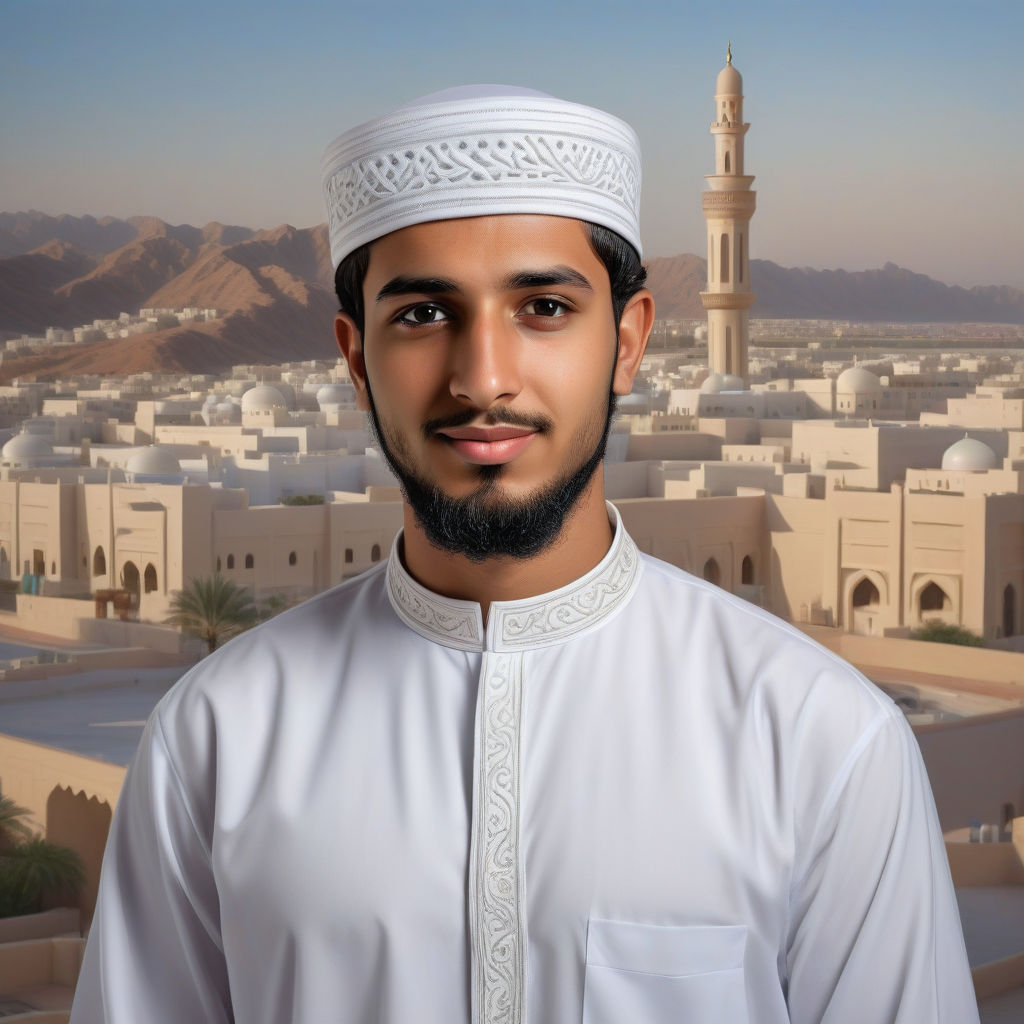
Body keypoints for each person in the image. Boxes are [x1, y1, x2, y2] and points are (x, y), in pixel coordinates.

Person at [71, 85, 978, 1024]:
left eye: (544, 306)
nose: (484, 378)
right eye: (423, 315)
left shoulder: (819, 741)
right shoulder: (217, 739)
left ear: (627, 342)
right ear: (355, 358)